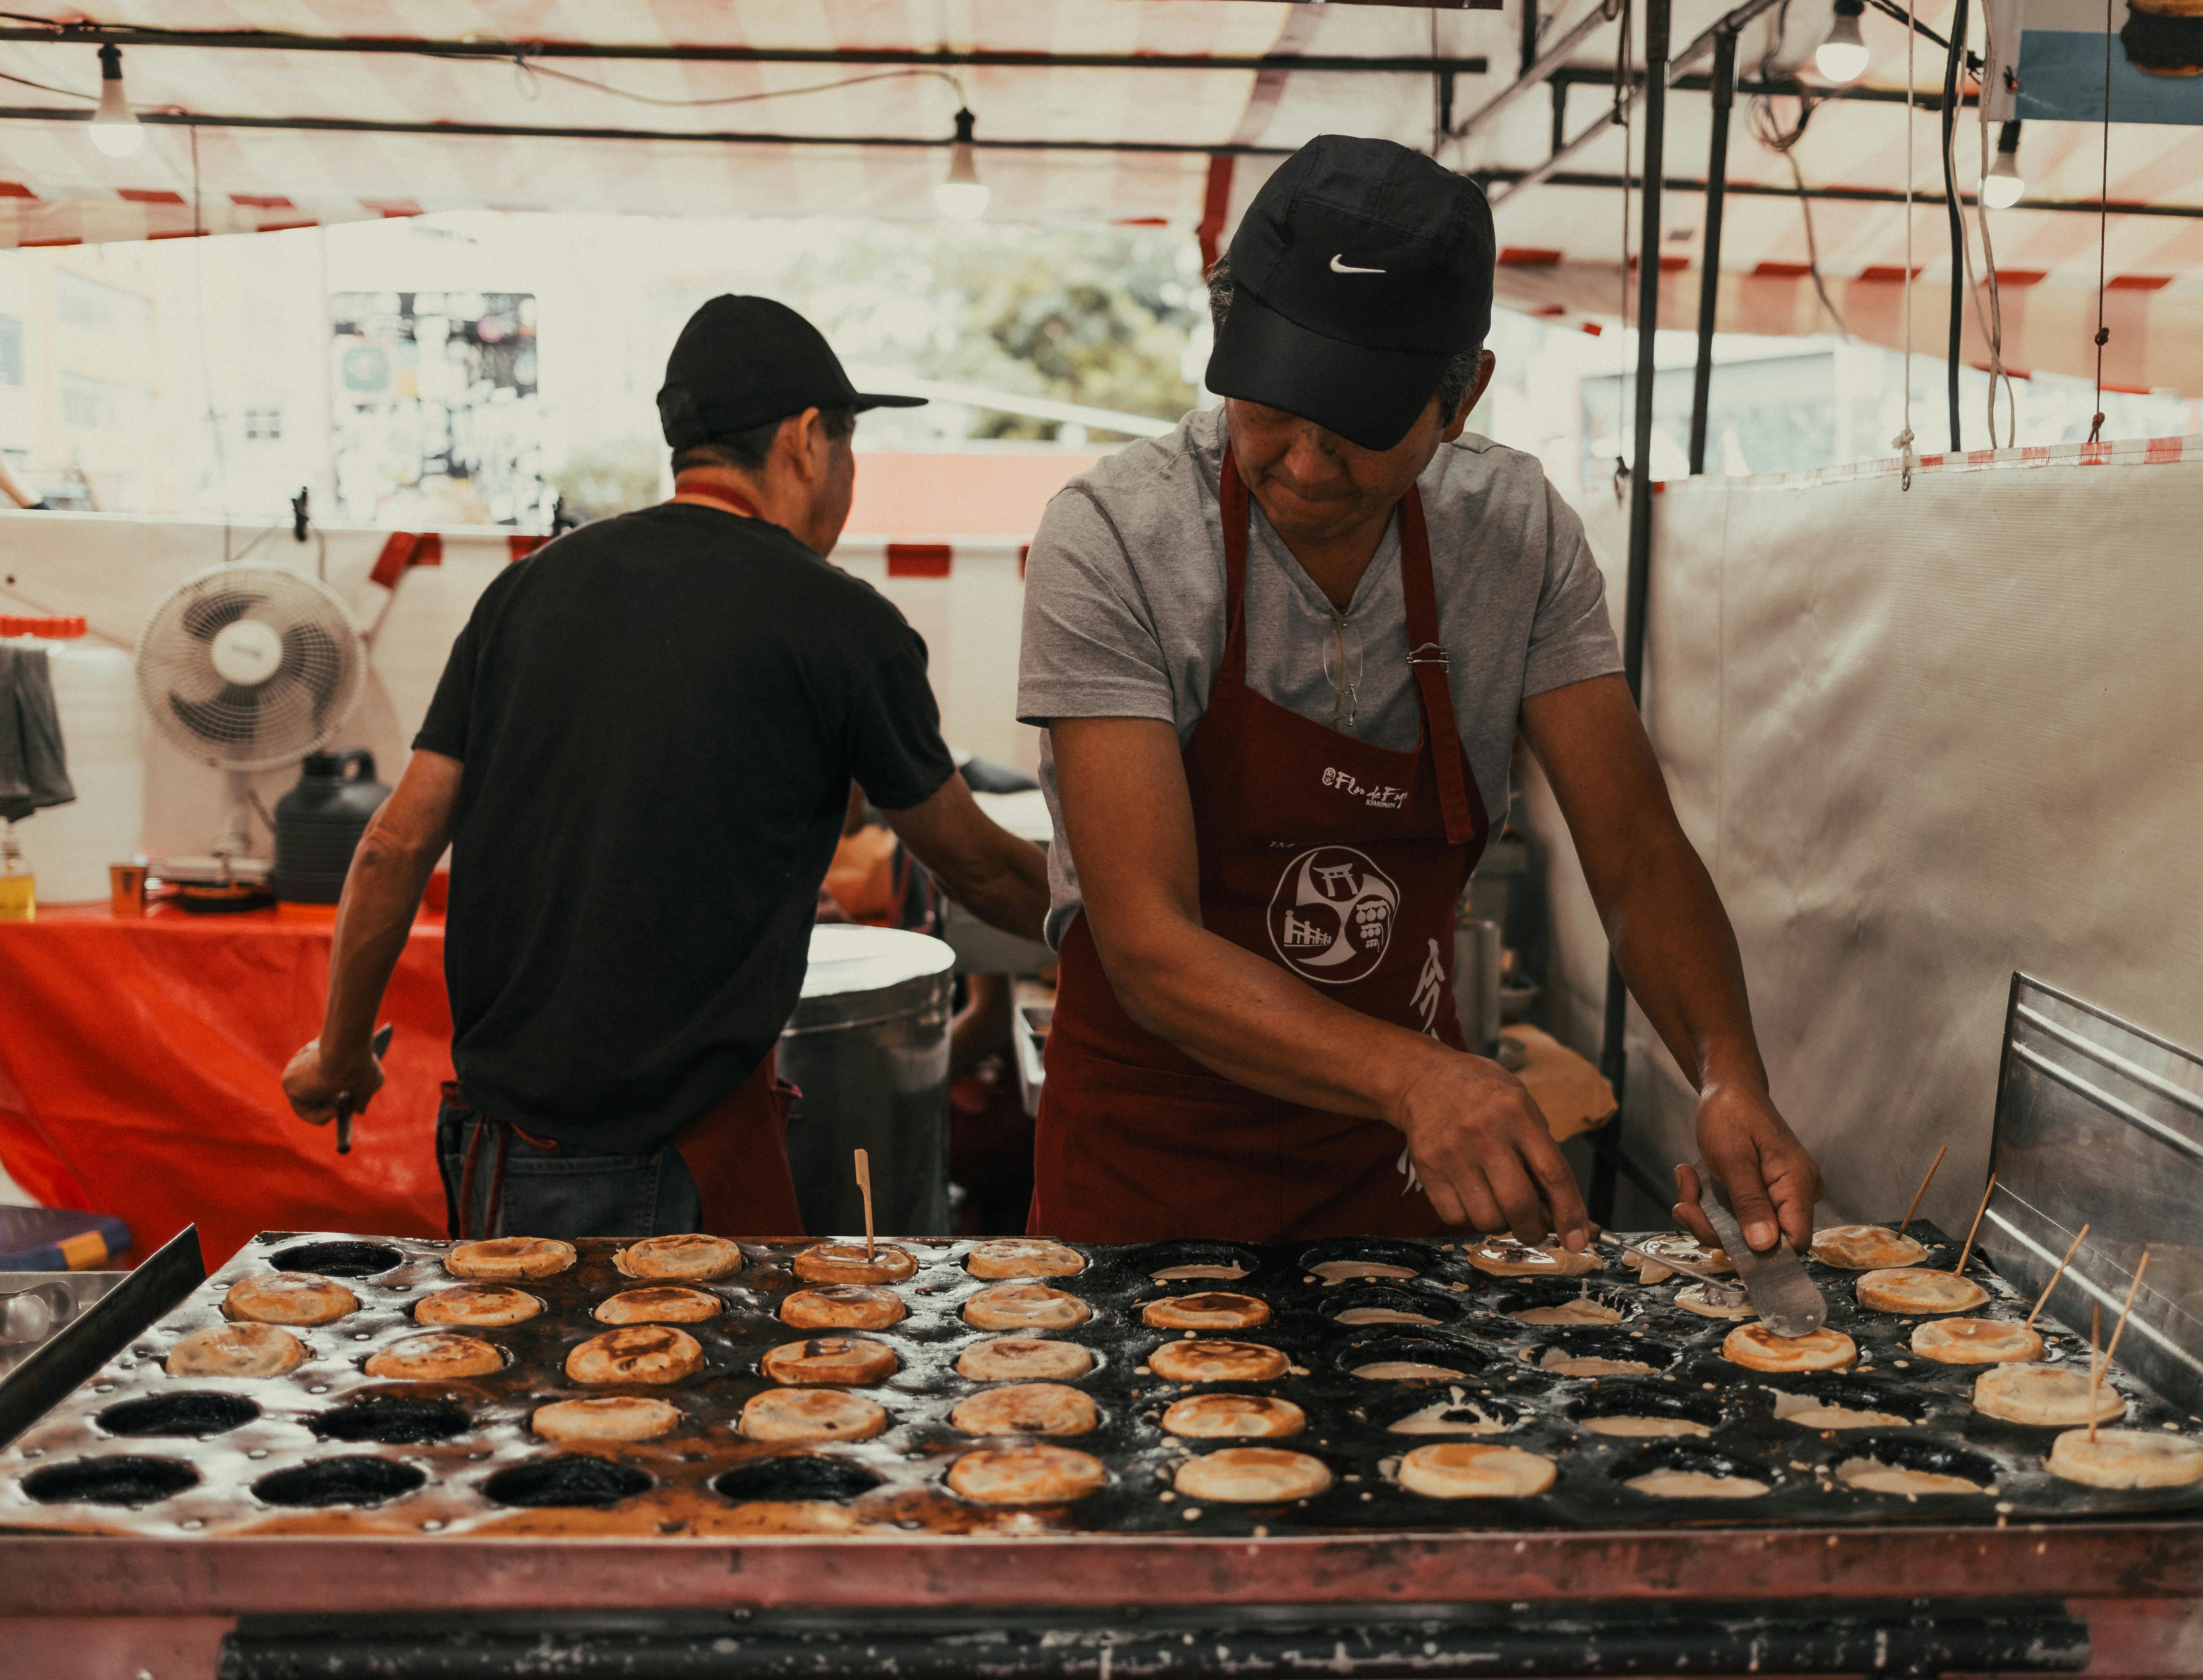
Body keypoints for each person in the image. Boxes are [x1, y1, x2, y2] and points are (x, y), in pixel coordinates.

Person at [1018, 136, 1823, 1257]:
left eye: (1354, 425)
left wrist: (1725, 1071)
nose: (1301, 464)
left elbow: (1635, 854)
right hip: (1152, 1166)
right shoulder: (1115, 537)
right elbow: (1148, 941)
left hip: (1402, 1177)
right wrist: (1412, 1076)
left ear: (1461, 396)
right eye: (1270, 407)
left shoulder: (1515, 533)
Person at [282, 295, 1050, 1239]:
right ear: (809, 440)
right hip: (672, 1161)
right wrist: (1119, 936)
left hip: (507, 1154)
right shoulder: (841, 625)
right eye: (851, 448)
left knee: (522, 1389)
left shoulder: (525, 592)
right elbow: (974, 864)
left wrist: (340, 1056)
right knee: (696, 1389)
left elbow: (392, 847)